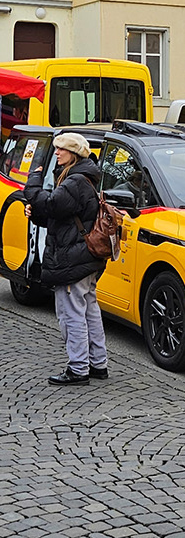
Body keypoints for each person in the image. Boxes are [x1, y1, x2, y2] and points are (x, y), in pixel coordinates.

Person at [23, 132, 111, 386]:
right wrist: (37, 211)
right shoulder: (81, 178)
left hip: (73, 258)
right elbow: (58, 215)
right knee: (90, 310)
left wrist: (33, 182)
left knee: (71, 313)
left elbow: (50, 204)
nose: (57, 153)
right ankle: (97, 364)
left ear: (73, 153)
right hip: (83, 255)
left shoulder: (75, 182)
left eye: (61, 149)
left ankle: (78, 368)